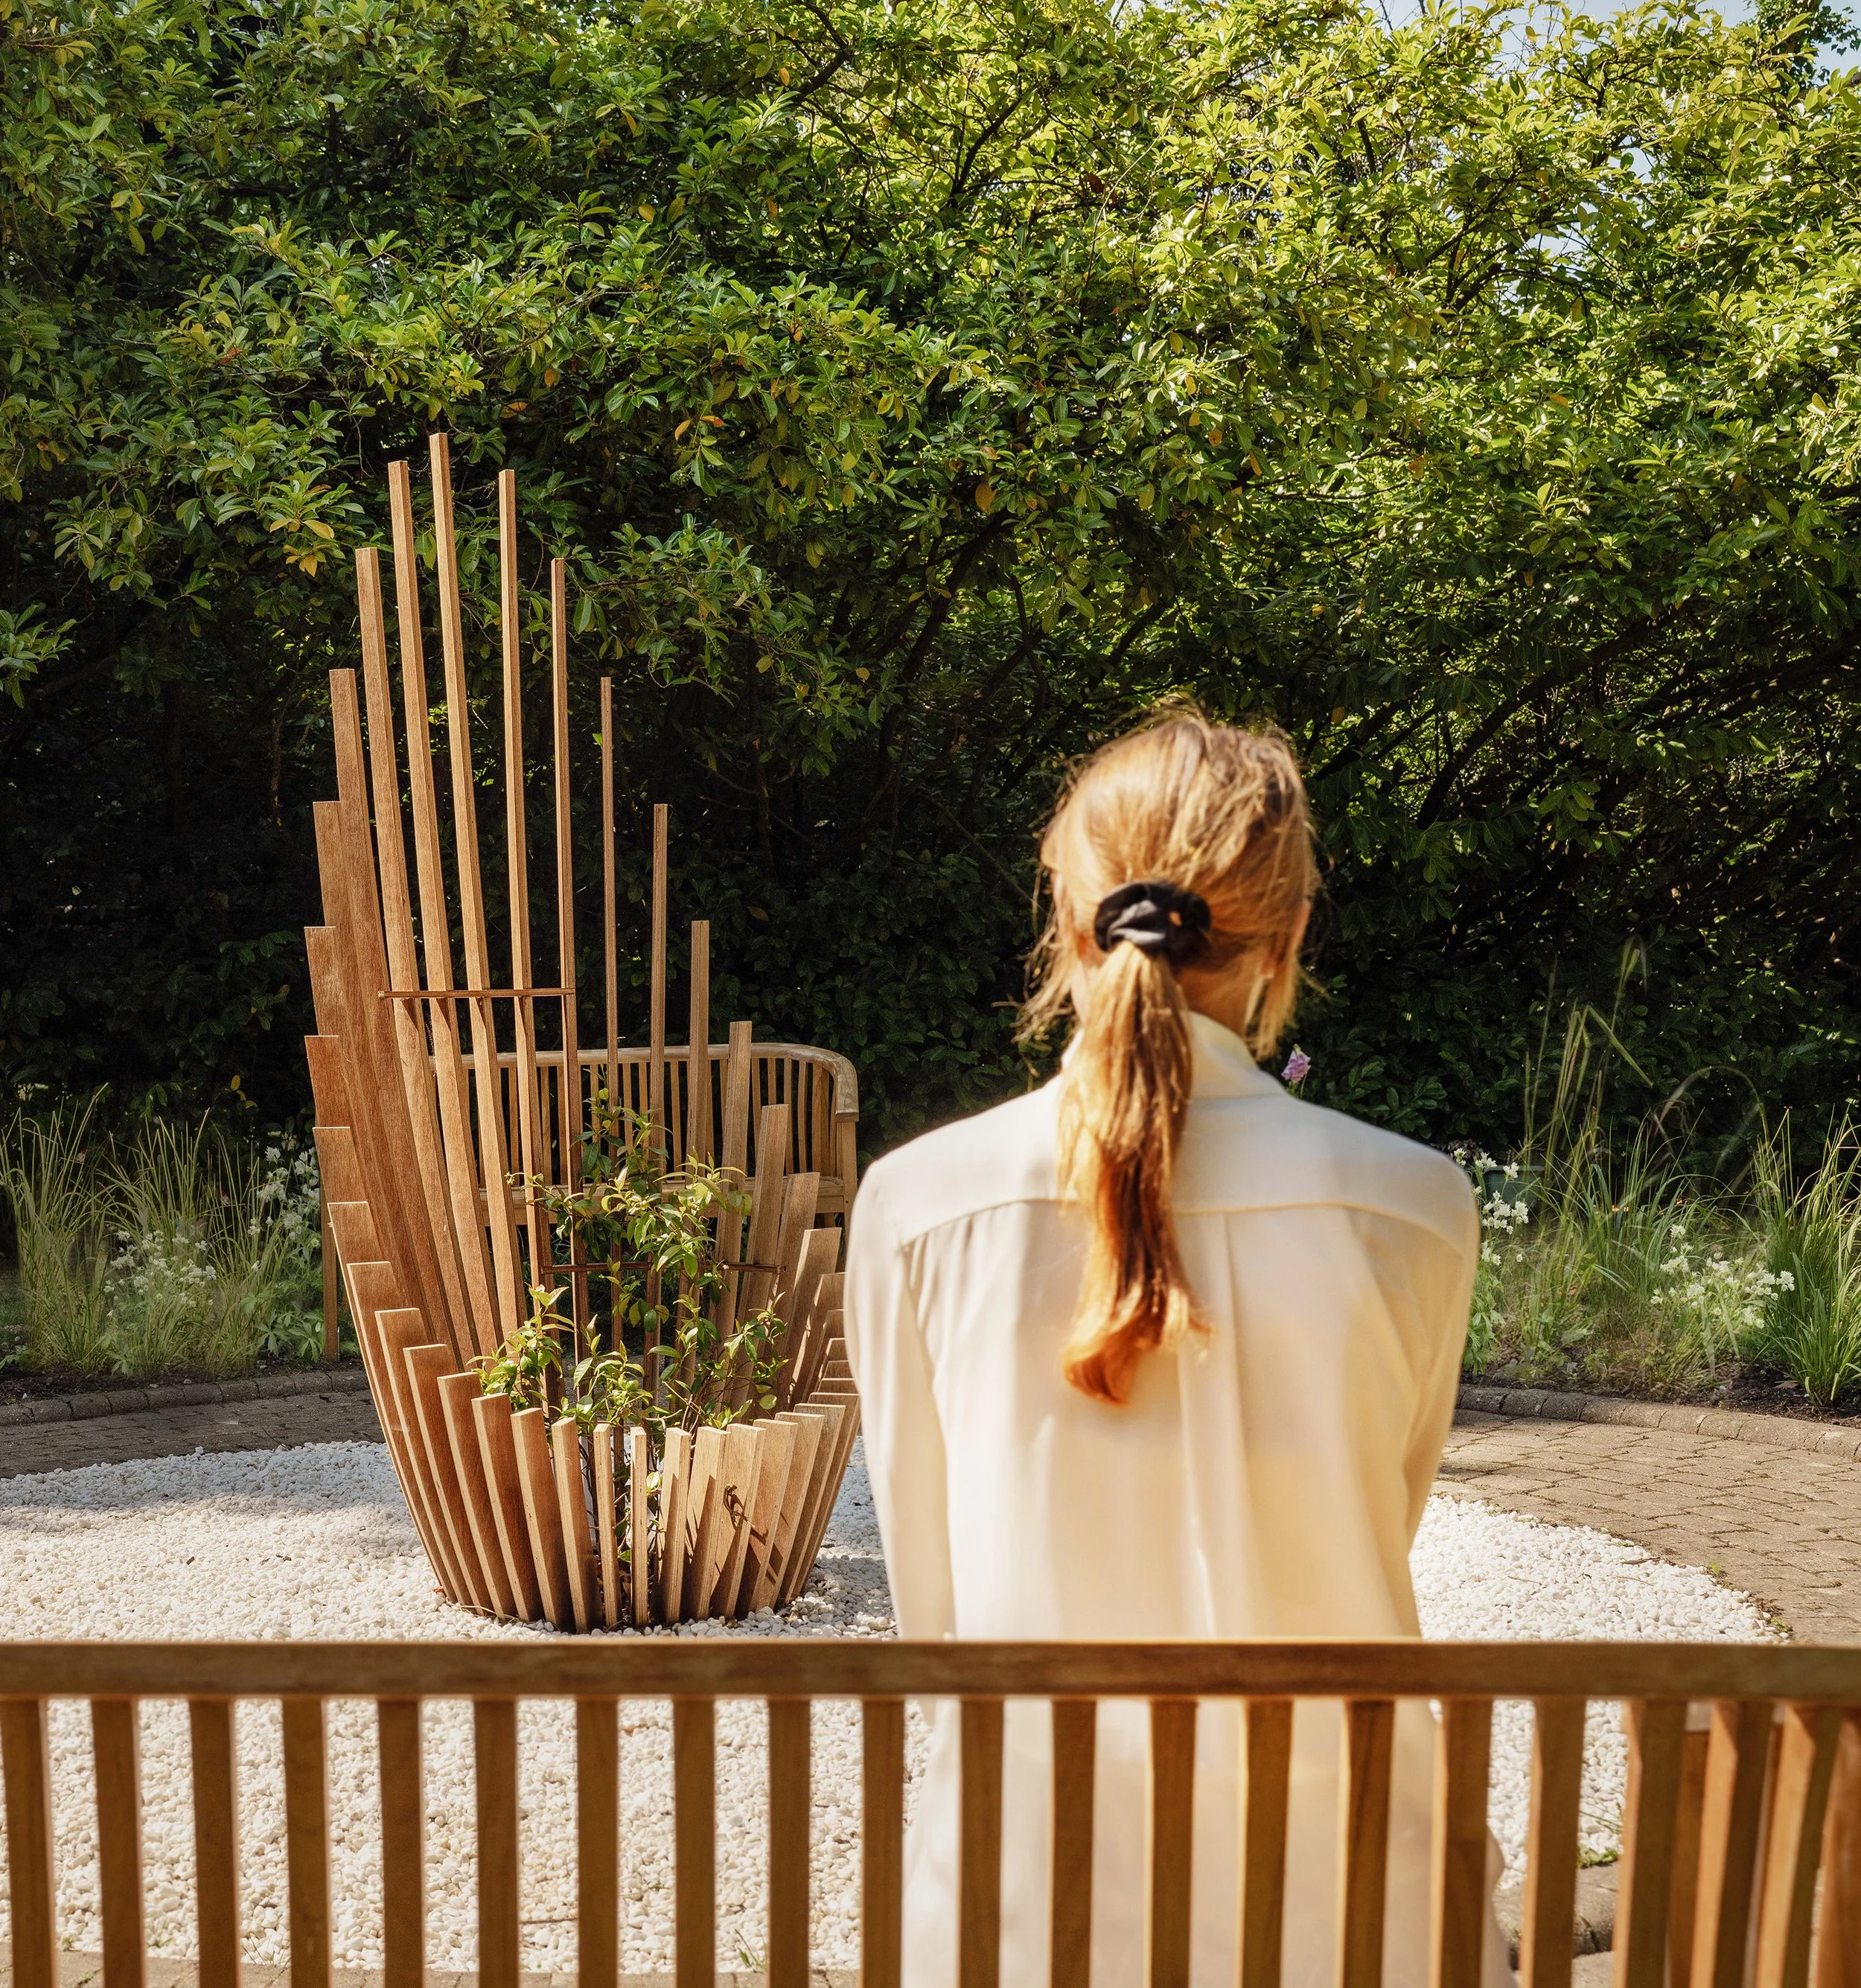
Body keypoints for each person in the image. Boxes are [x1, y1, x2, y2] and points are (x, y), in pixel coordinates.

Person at [843, 706, 1507, 1987]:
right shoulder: (1414, 1206)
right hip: (1364, 1920)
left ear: (1068, 919)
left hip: (1021, 1920)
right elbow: (1383, 1516)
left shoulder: (917, 1207)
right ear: (1289, 936)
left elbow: (936, 1609)